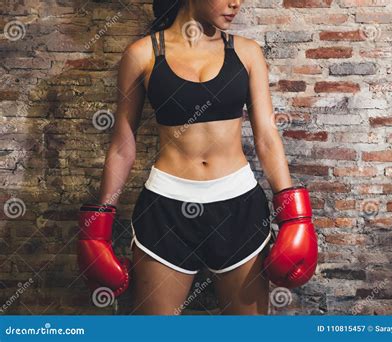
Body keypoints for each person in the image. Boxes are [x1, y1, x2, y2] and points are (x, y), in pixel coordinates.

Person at [77, 0, 318, 315]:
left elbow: (267, 138)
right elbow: (123, 145)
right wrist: (98, 227)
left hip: (239, 207)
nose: (236, 3)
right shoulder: (142, 54)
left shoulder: (246, 52)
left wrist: (295, 216)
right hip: (166, 208)